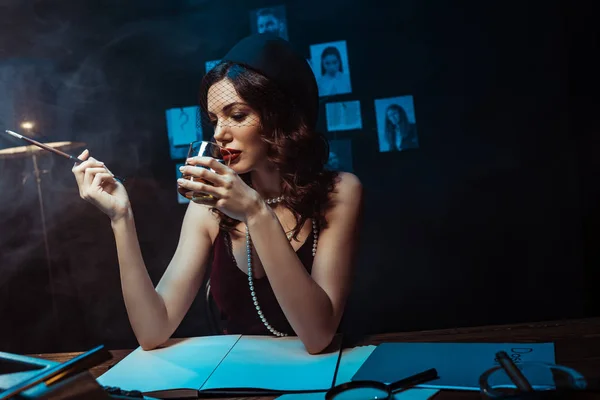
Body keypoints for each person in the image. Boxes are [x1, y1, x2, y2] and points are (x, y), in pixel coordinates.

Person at [72, 33, 362, 355]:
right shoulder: (209, 207)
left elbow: (318, 335)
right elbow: (152, 331)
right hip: (234, 380)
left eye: (237, 115)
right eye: (214, 120)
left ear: (280, 115)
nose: (219, 134)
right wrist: (120, 217)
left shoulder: (341, 191)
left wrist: (255, 212)